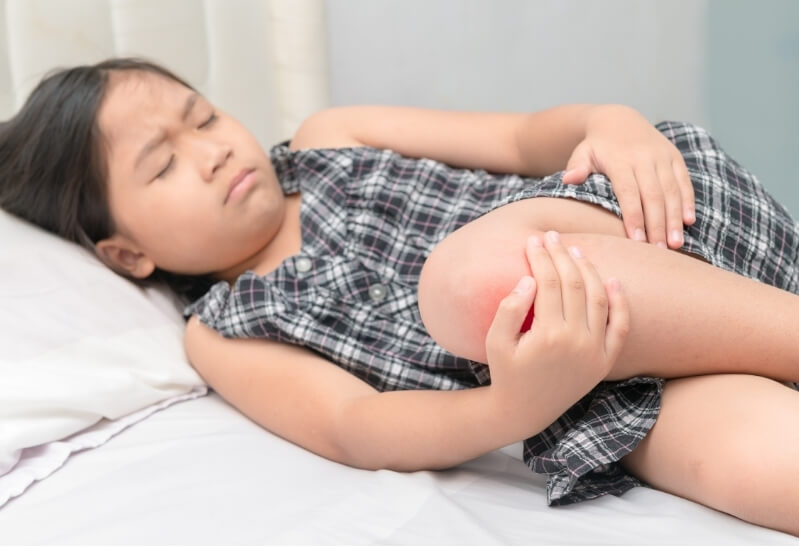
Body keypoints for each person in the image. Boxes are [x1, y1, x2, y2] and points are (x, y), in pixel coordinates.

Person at [1, 57, 798, 537]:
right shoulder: (226, 333)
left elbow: (522, 140)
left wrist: (612, 122)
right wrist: (519, 404)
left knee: (472, 290)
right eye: (162, 165)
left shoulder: (329, 138)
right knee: (756, 465)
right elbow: (359, 427)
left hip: (646, 234)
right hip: (587, 393)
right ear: (126, 253)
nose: (209, 153)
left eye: (202, 118)